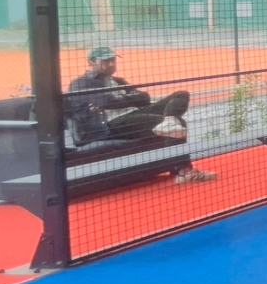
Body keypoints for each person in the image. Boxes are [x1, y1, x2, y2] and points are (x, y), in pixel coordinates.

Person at [66, 47, 215, 183]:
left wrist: (122, 99)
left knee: (181, 95)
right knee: (178, 122)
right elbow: (108, 102)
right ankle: (184, 171)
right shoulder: (81, 83)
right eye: (105, 61)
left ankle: (169, 119)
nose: (111, 64)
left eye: (113, 60)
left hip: (135, 113)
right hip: (113, 122)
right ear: (91, 62)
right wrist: (127, 98)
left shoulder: (118, 81)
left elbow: (144, 98)